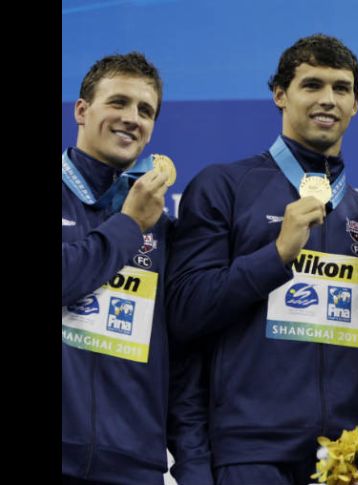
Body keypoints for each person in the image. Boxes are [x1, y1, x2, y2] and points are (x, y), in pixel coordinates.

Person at [165, 34, 358, 485]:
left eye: (341, 89)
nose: (328, 100)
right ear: (279, 94)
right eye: (311, 85)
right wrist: (276, 255)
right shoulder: (224, 186)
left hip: (346, 460)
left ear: (356, 104)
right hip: (250, 454)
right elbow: (183, 312)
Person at [61, 52, 172, 485]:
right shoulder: (140, 219)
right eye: (118, 102)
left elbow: (178, 356)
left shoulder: (163, 227)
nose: (132, 118)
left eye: (145, 110)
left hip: (133, 464)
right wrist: (128, 226)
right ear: (82, 110)